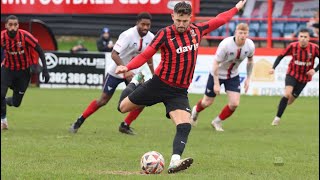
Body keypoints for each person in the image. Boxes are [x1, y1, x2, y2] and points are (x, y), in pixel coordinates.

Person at [115, 0, 247, 174]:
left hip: (178, 91)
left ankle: (174, 161)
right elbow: (146, 54)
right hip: (158, 85)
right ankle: (135, 82)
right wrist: (128, 67)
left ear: (190, 18)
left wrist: (236, 8)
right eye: (178, 20)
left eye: (185, 21)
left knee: (185, 125)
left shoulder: (197, 31)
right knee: (122, 107)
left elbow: (220, 19)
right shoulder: (164, 34)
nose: (182, 24)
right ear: (173, 17)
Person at [69, 12, 155, 134]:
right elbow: (114, 54)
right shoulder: (127, 35)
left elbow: (148, 56)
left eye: (148, 25)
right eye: (143, 24)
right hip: (116, 71)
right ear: (137, 23)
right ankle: (79, 121)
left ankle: (125, 125)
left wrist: (154, 73)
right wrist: (125, 69)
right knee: (103, 101)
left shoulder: (151, 37)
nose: (145, 27)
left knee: (142, 99)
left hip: (134, 73)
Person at [190, 23, 255, 131]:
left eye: (245, 33)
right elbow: (215, 63)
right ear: (235, 33)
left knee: (234, 103)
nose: (242, 35)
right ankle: (195, 111)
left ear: (248, 34)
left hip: (232, 75)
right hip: (217, 74)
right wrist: (216, 83)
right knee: (207, 102)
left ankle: (217, 121)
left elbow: (250, 61)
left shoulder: (250, 45)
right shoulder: (226, 44)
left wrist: (248, 78)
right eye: (240, 33)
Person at [1, 15, 50, 130]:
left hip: (23, 73)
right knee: (1, 94)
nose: (13, 27)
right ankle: (3, 120)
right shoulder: (2, 37)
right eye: (10, 25)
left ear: (18, 25)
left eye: (15, 25)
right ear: (6, 25)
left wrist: (45, 69)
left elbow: (40, 50)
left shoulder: (25, 36)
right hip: (8, 69)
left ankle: (9, 100)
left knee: (16, 103)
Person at [270, 28, 319, 126]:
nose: (303, 39)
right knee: (287, 94)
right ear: (298, 37)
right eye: (301, 36)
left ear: (309, 38)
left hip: (304, 78)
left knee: (289, 101)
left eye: (305, 37)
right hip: (292, 73)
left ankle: (281, 105)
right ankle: (277, 118)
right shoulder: (293, 46)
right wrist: (273, 68)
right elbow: (280, 56)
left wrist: (315, 69)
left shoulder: (314, 48)